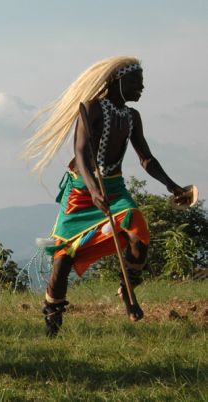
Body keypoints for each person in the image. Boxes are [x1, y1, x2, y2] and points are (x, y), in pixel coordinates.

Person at [23, 56, 189, 337]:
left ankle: (127, 288)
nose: (142, 88)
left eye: (142, 82)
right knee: (64, 258)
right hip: (81, 191)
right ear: (116, 81)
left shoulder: (132, 117)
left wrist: (173, 186)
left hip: (114, 187)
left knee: (139, 234)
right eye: (137, 82)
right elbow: (81, 153)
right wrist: (93, 189)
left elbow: (146, 159)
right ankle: (53, 321)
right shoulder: (92, 109)